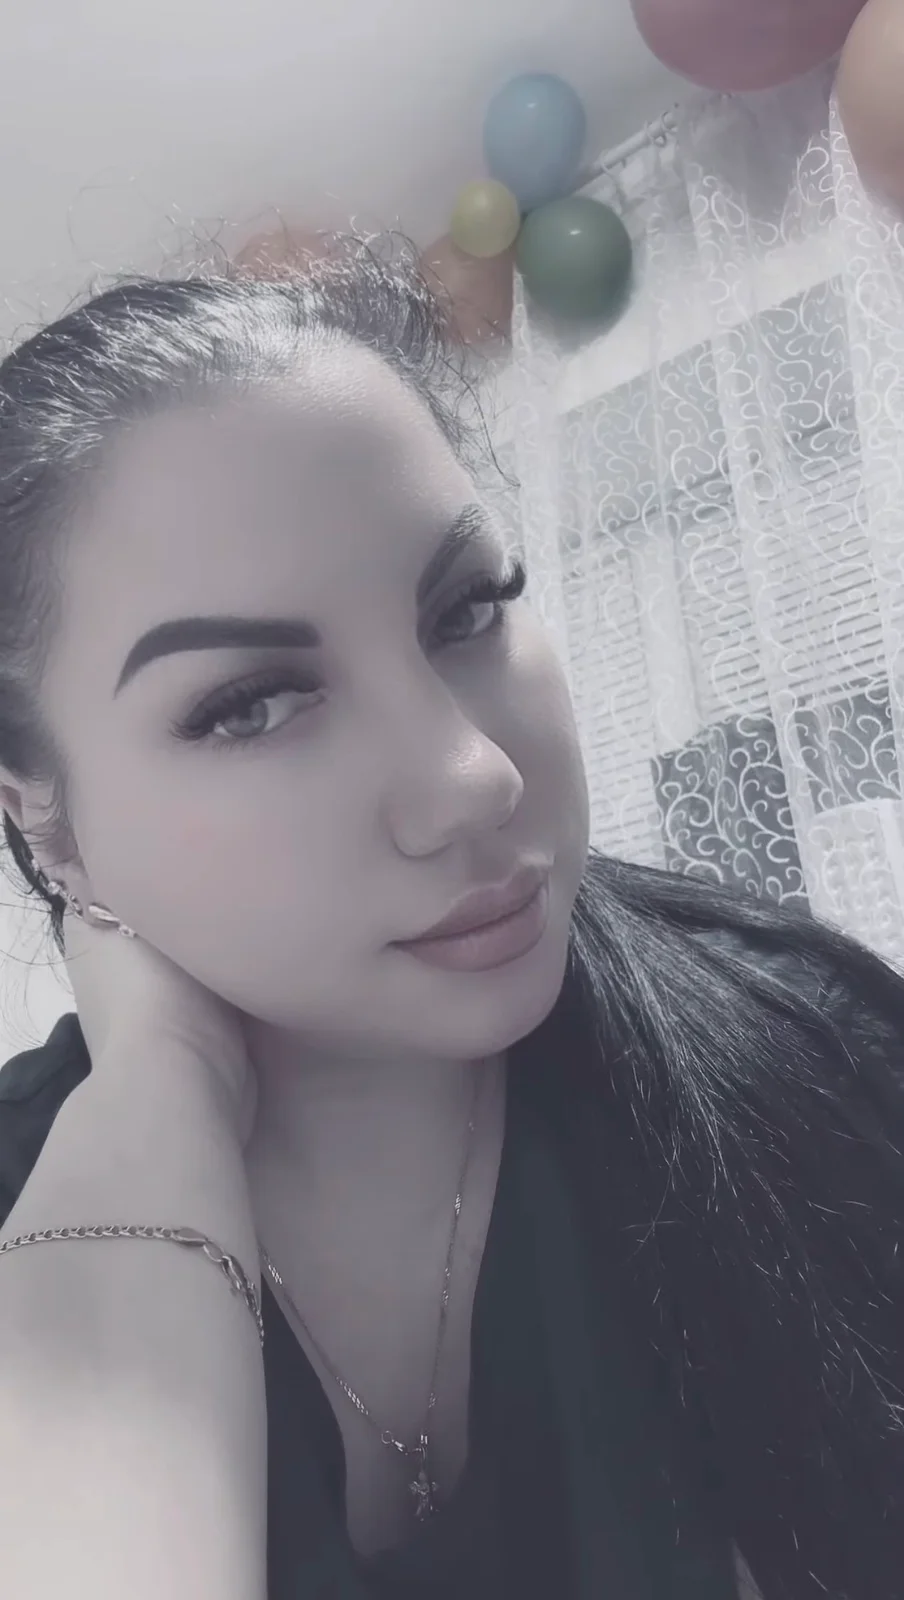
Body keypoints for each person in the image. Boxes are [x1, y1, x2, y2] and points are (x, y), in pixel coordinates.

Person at [0, 242, 901, 1600]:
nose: (474, 779)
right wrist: (157, 1097)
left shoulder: (811, 1047)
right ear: (49, 821)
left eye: (469, 608)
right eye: (251, 705)